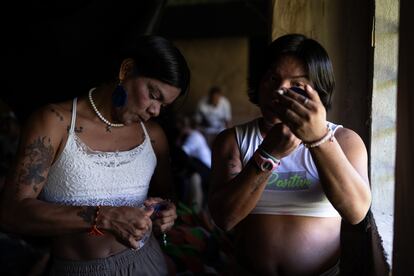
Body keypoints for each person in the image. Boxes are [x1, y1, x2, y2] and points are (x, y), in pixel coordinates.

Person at [0, 35, 190, 276]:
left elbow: (166, 195)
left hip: (147, 264)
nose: (155, 110)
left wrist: (166, 211)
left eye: (164, 105)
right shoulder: (55, 124)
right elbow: (11, 213)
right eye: (154, 95)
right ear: (127, 69)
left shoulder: (153, 135)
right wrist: (103, 218)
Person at [208, 33, 371, 275]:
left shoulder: (345, 141)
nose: (280, 89)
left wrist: (318, 139)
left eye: (297, 84)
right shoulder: (233, 140)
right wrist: (268, 154)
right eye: (273, 78)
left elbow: (356, 213)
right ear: (259, 82)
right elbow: (225, 219)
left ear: (319, 92)